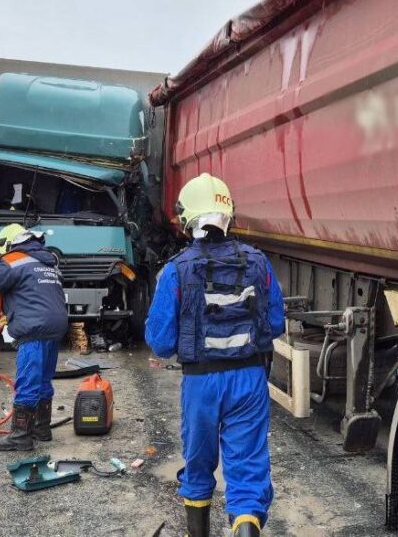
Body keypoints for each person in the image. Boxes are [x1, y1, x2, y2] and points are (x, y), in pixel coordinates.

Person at [145, 173, 285, 537]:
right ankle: (246, 526)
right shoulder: (258, 262)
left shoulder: (176, 269)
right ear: (229, 214)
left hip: (201, 383)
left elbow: (159, 342)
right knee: (248, 470)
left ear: (188, 218)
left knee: (198, 464)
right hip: (250, 380)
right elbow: (276, 323)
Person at [0, 223, 68, 451]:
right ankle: (42, 428)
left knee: (28, 380)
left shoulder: (13, 260)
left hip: (34, 328)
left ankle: (20, 435)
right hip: (56, 325)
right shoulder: (47, 261)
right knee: (43, 378)